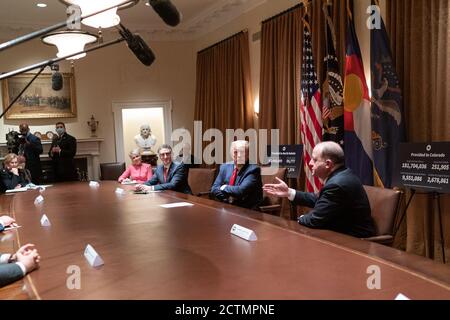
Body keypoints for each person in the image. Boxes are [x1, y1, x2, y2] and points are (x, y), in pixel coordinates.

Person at [263, 141, 375, 238]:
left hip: (354, 242)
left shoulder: (337, 184)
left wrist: (302, 218)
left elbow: (315, 220)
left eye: (315, 159)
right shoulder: (342, 174)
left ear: (328, 164)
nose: (310, 163)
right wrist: (289, 192)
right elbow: (319, 199)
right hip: (340, 233)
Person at [211, 140, 263, 209]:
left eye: (242, 152)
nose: (239, 155)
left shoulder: (253, 169)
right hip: (227, 208)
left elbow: (240, 191)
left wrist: (224, 187)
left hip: (247, 211)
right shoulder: (224, 167)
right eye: (236, 152)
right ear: (231, 153)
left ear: (248, 154)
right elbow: (214, 189)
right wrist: (230, 198)